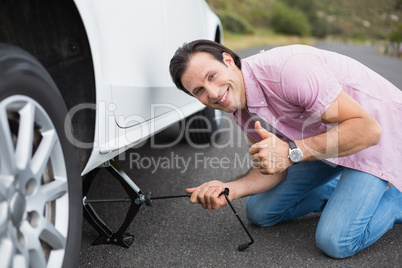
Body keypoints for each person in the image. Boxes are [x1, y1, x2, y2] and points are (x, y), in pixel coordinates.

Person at [169, 39, 402, 258]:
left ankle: (396, 199)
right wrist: (229, 188)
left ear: (228, 61)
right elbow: (275, 167)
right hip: (326, 145)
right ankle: (342, 194)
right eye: (198, 90)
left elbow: (367, 130)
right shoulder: (239, 106)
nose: (212, 93)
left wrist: (291, 152)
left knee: (336, 241)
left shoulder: (287, 71)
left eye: (212, 76)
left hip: (375, 138)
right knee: (259, 212)